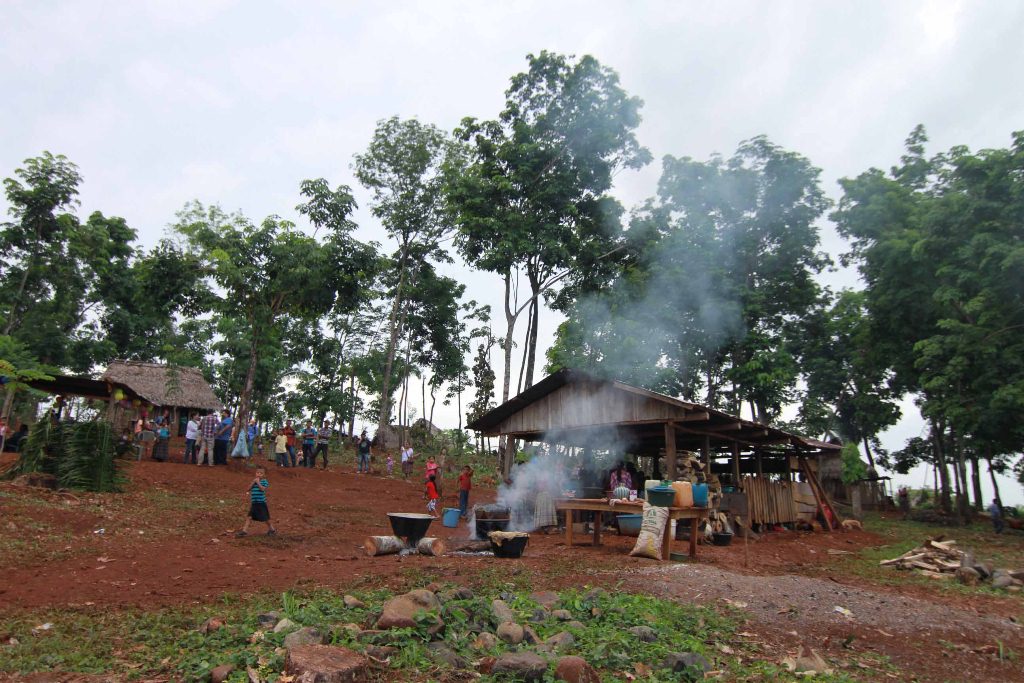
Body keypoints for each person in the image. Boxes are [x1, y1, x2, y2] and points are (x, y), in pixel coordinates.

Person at [236, 467, 276, 537]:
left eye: (261, 473)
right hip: (254, 503)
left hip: (261, 503)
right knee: (249, 517)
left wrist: (258, 482)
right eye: (257, 473)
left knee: (265, 518)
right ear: (255, 473)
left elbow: (262, 489)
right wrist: (253, 482)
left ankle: (272, 529)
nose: (259, 474)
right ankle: (244, 531)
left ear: (264, 475)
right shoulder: (254, 482)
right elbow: (247, 489)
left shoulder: (264, 481)